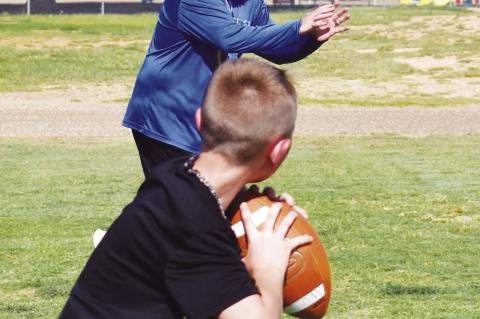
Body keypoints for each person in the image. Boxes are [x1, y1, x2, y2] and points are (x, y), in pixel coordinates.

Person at [60, 59, 313, 318]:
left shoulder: (174, 174)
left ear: (199, 120)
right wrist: (268, 269)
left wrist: (254, 214)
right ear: (280, 152)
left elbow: (193, 258)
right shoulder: (195, 227)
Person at [123, 0, 350, 177]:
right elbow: (229, 36)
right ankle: (124, 237)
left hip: (206, 120)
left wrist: (310, 37)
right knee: (182, 209)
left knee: (192, 209)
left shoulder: (250, 3)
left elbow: (272, 45)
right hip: (164, 117)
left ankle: (122, 237)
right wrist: (297, 27)